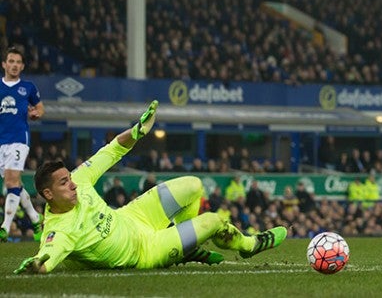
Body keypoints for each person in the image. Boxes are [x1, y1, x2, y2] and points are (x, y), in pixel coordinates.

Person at [13, 101, 287, 274]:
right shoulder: (59, 230)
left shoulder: (78, 180)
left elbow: (110, 151)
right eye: (64, 183)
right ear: (47, 194)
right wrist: (35, 265)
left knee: (194, 185)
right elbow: (46, 259)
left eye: (69, 178)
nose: (72, 184)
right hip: (145, 250)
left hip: (133, 216)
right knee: (215, 220)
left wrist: (136, 132)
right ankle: (249, 244)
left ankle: (186, 247)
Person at [1, 47, 45, 242]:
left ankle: (5, 227)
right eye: (11, 61)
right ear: (4, 64)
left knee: (11, 181)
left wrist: (36, 113)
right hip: (1, 140)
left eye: (18, 62)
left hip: (19, 139)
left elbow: (40, 108)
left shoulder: (28, 87)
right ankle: (36, 218)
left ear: (22, 66)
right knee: (14, 184)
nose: (14, 65)